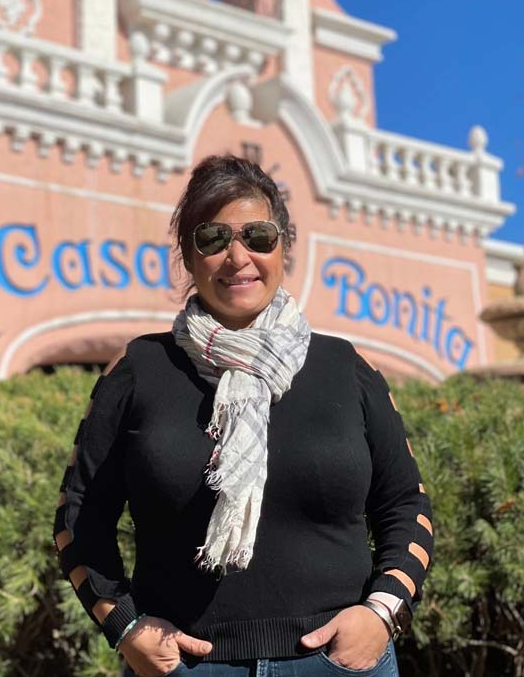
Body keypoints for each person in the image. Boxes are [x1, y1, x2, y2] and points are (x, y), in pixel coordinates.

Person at [53, 155, 433, 677]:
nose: (238, 257)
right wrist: (124, 626)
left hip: (338, 664)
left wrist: (381, 612)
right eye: (212, 239)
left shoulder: (346, 368)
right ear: (188, 257)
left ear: (283, 248)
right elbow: (79, 515)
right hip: (187, 666)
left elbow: (407, 507)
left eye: (258, 236)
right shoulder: (139, 368)